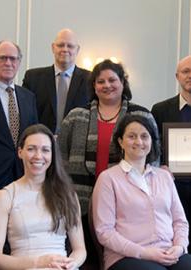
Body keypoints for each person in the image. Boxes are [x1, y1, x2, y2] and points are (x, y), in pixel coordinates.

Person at [57, 59, 158, 268]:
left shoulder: (140, 115)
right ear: (94, 86)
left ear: (123, 82)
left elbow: (154, 156)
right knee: (86, 260)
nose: (107, 85)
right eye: (100, 81)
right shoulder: (76, 116)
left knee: (117, 257)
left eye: (112, 80)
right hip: (81, 199)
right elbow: (60, 156)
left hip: (126, 204)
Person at [92, 114, 191, 270]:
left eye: (145, 136)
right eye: (131, 136)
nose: (139, 141)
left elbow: (180, 222)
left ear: (151, 141)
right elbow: (105, 232)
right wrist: (145, 253)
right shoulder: (108, 179)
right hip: (126, 256)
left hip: (169, 251)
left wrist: (179, 247)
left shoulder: (164, 177)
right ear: (120, 142)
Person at [0, 124, 86, 270]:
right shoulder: (4, 197)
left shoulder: (68, 195)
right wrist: (39, 262)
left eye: (45, 150)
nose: (38, 156)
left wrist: (71, 263)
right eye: (31, 149)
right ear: (20, 152)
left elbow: (80, 250)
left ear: (52, 155)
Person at [0, 40, 38, 199]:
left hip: (23, 177)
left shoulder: (28, 97)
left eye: (13, 58)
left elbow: (33, 137)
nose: (8, 63)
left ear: (19, 62)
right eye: (3, 58)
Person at [151, 55, 191, 252]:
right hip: (173, 188)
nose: (190, 75)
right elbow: (153, 148)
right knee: (177, 243)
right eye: (186, 71)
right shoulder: (160, 110)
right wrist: (160, 167)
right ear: (177, 76)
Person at [22, 28, 90, 134]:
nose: (65, 49)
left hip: (76, 146)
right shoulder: (33, 78)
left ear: (77, 50)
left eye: (70, 46)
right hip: (42, 143)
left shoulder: (90, 79)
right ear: (53, 48)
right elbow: (25, 114)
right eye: (61, 45)